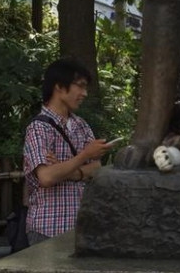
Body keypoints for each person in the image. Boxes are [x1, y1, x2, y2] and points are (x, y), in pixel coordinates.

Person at [23, 58, 113, 245]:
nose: (84, 93)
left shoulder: (82, 125)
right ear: (59, 86)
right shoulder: (39, 128)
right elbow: (46, 177)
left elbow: (96, 169)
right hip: (48, 229)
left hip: (81, 228)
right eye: (80, 86)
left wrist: (69, 172)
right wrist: (84, 156)